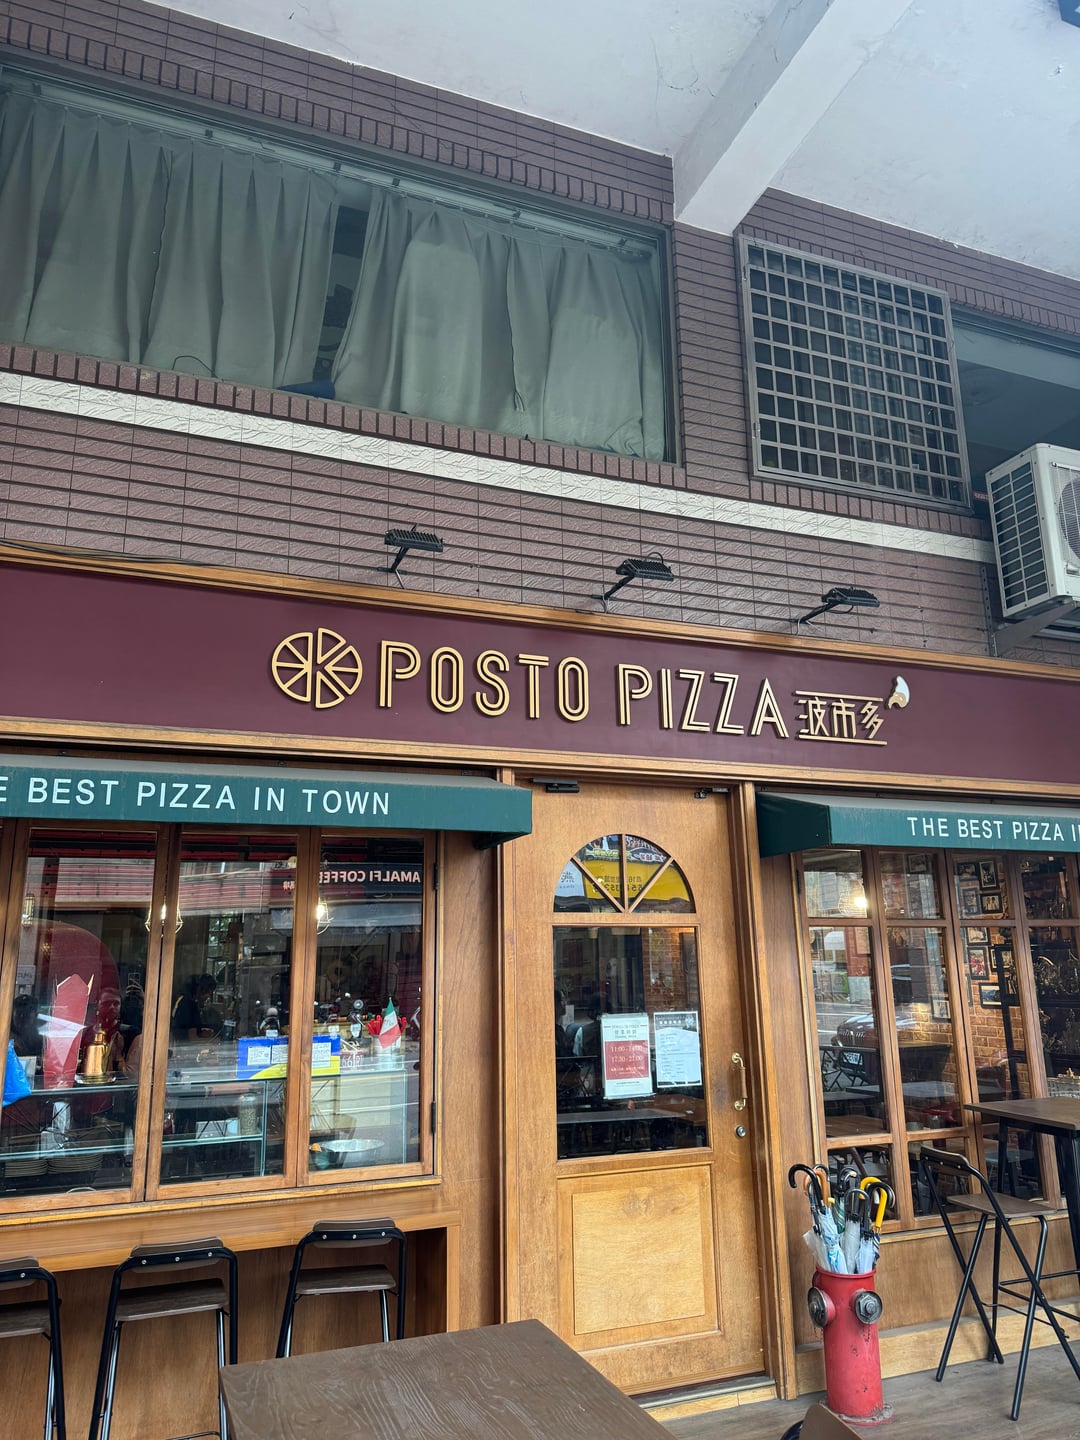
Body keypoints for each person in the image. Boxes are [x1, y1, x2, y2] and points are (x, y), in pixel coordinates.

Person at [171, 974, 216, 1042]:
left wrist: (200, 1032)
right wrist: (213, 1042)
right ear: (201, 990)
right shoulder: (190, 1006)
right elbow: (193, 1039)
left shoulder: (183, 1000)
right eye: (208, 993)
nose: (208, 997)